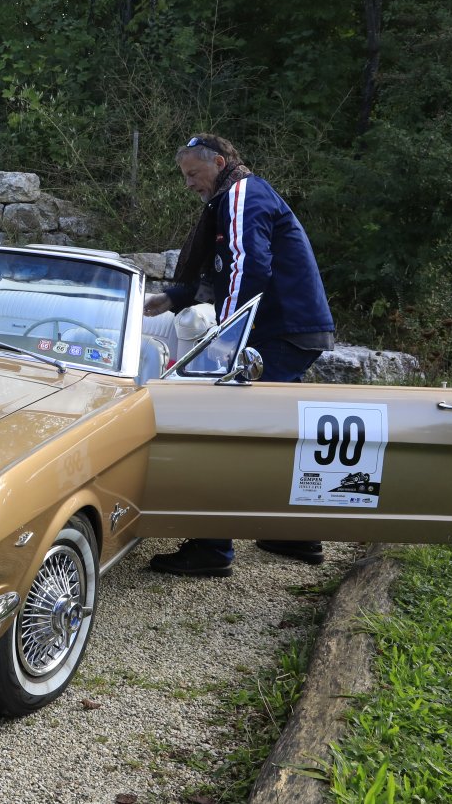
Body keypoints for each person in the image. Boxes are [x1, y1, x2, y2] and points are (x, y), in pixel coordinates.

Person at [145, 134, 336, 578]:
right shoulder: (242, 194)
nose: (189, 184)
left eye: (193, 174)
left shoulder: (241, 194)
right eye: (184, 176)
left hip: (277, 333)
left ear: (218, 162)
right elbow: (223, 270)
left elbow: (247, 266)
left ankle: (212, 547)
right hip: (296, 329)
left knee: (224, 430)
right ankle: (294, 533)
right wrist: (173, 298)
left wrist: (225, 338)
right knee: (280, 434)